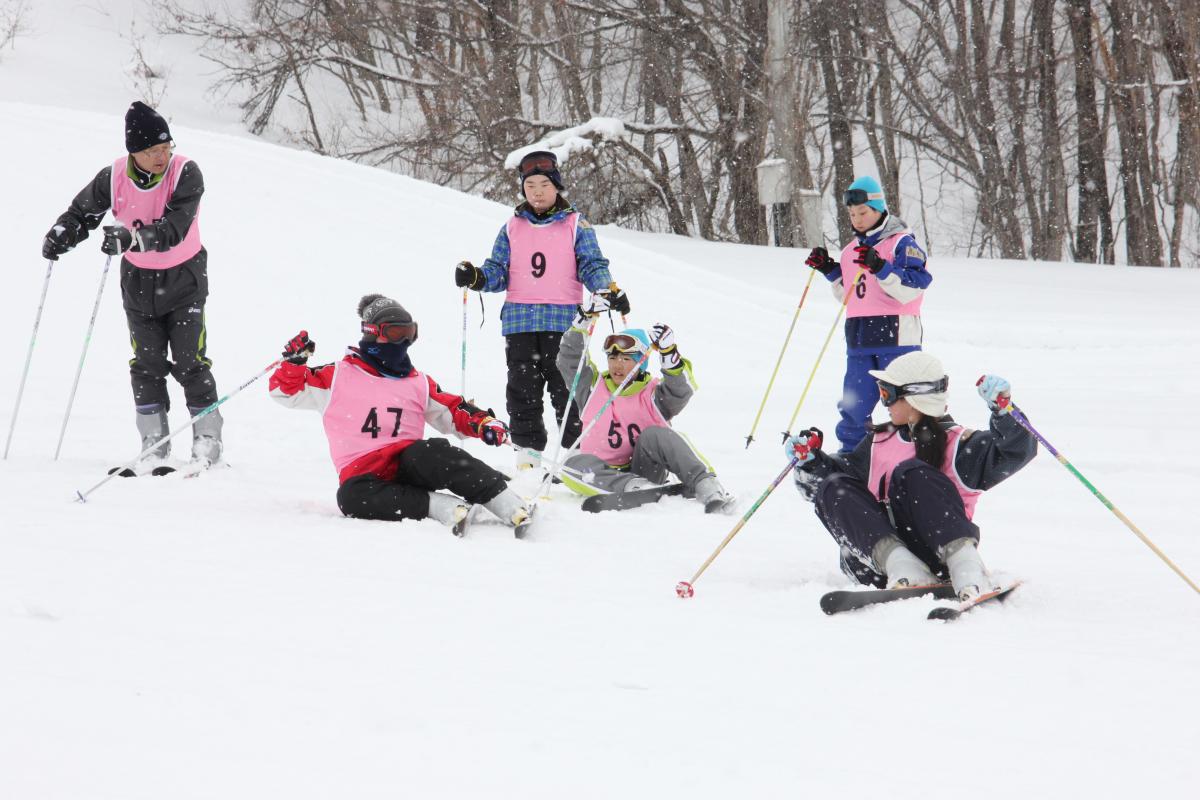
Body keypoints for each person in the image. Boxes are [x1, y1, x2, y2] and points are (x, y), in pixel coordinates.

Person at [41, 100, 222, 468]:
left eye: (166, 147)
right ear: (133, 152)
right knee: (147, 362)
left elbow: (176, 227)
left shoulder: (186, 172)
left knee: (190, 360)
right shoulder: (114, 176)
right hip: (138, 281)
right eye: (152, 150)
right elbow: (83, 212)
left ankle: (207, 437)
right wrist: (65, 232)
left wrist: (132, 238)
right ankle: (153, 438)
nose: (161, 156)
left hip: (184, 277)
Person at [269, 294, 531, 533]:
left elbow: (452, 410)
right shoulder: (337, 377)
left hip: (409, 465)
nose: (404, 341)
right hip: (364, 475)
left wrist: (483, 422)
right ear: (373, 334)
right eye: (395, 333)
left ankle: (508, 503)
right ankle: (438, 506)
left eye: (410, 333)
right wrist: (293, 363)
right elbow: (285, 392)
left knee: (434, 451)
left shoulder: (416, 382)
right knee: (350, 498)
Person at [784, 352, 1036, 600]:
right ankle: (903, 566)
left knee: (912, 473)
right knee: (833, 486)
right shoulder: (879, 442)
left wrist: (1005, 413)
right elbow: (838, 490)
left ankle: (966, 567)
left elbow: (1017, 450)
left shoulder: (959, 444)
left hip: (938, 555)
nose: (885, 403)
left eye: (887, 394)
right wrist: (812, 463)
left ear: (914, 397)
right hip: (880, 563)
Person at [456, 150, 629, 473]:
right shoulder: (512, 227)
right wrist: (477, 277)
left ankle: (577, 457)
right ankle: (528, 458)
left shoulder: (577, 224)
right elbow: (498, 270)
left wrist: (607, 290)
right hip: (520, 321)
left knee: (568, 389)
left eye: (544, 185)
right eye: (530, 185)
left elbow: (592, 264)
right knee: (523, 391)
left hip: (564, 321)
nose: (536, 192)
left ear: (557, 187)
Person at [554, 296, 735, 513]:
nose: (617, 365)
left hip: (646, 468)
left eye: (627, 358)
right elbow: (569, 359)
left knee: (658, 434)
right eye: (612, 357)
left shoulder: (653, 394)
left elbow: (681, 390)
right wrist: (584, 318)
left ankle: (706, 485)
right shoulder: (592, 387)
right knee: (571, 464)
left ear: (641, 362)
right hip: (604, 474)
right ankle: (636, 488)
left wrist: (669, 355)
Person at [804, 176, 931, 454]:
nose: (857, 219)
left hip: (897, 337)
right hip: (860, 339)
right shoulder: (851, 251)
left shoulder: (901, 243)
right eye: (852, 214)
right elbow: (850, 296)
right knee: (854, 405)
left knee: (906, 404)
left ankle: (916, 455)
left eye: (863, 212)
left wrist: (881, 267)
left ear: (879, 209)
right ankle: (853, 458)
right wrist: (830, 270)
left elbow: (914, 287)